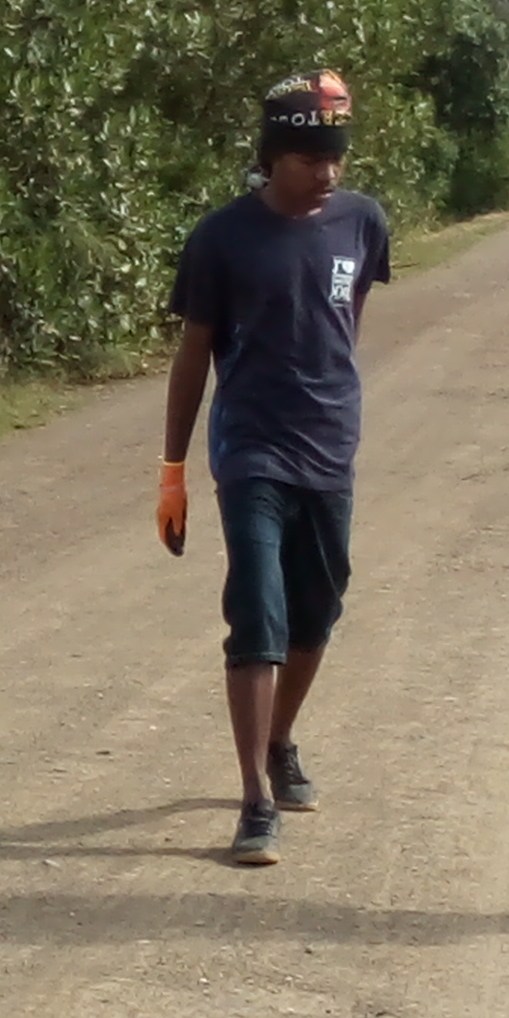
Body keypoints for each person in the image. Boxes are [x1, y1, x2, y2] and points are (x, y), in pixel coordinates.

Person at [157, 71, 390, 866]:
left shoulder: (363, 223)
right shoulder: (222, 238)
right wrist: (172, 469)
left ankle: (280, 739)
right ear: (271, 157)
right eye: (309, 157)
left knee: (317, 611)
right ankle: (255, 799)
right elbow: (194, 354)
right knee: (259, 610)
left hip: (330, 448)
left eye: (335, 156)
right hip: (251, 448)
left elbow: (344, 326)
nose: (327, 171)